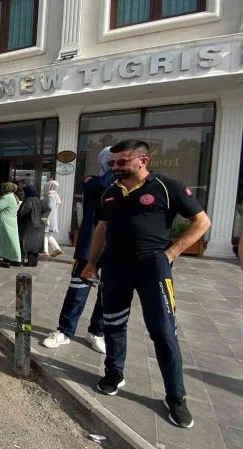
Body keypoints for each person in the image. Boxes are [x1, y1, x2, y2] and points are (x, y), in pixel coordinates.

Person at [82, 139, 211, 429]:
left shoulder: (167, 186)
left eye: (122, 162)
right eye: (113, 163)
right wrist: (91, 262)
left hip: (153, 267)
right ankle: (114, 374)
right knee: (113, 324)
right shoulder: (110, 192)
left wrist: (171, 253)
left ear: (143, 161)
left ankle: (175, 397)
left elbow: (202, 222)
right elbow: (101, 229)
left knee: (164, 332)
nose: (115, 167)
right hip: (115, 266)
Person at [43, 147, 113, 354]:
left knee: (107, 296)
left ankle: (97, 332)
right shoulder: (91, 181)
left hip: (114, 250)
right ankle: (65, 331)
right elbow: (102, 184)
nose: (117, 166)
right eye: (113, 162)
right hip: (88, 249)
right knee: (77, 292)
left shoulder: (127, 187)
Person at [0, 182, 22, 268]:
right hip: (11, 221)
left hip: (3, 222)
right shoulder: (14, 196)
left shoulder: (7, 197)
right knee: (8, 241)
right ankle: (7, 260)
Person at [17, 185, 48, 267]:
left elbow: (22, 212)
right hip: (39, 225)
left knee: (24, 244)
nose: (23, 193)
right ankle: (32, 262)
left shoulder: (29, 200)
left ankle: (20, 260)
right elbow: (47, 208)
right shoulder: (38, 200)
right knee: (34, 246)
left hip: (29, 226)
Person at [43, 180, 63, 257]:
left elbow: (49, 206)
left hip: (47, 218)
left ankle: (45, 251)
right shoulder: (55, 195)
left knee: (44, 234)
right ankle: (57, 249)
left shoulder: (50, 195)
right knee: (48, 235)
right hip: (52, 218)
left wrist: (41, 207)